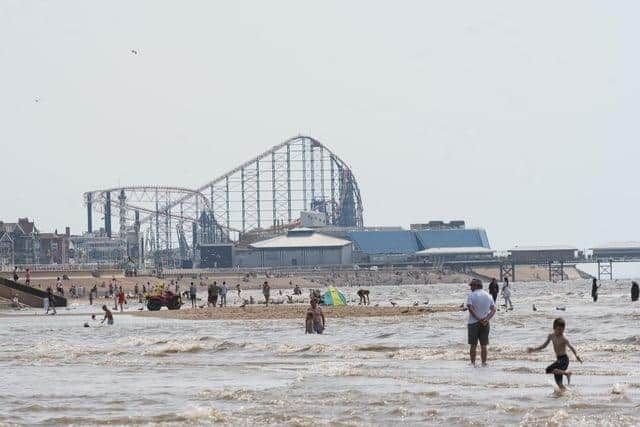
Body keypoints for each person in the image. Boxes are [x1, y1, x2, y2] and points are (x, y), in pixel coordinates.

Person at [527, 317, 582, 390]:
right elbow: (544, 346)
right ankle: (567, 393)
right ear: (554, 328)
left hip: (564, 360)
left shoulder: (564, 338)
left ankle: (567, 373)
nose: (560, 331)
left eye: (562, 330)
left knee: (548, 369)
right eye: (559, 329)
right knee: (559, 384)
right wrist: (534, 349)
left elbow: (571, 347)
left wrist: (576, 355)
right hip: (559, 359)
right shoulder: (551, 336)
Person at [466, 278, 496, 366]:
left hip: (473, 323)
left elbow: (470, 308)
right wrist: (487, 319)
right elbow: (493, 310)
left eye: (471, 285)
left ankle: (472, 363)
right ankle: (484, 363)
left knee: (473, 345)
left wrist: (478, 319)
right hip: (485, 323)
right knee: (484, 345)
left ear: (476, 286)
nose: (470, 287)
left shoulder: (471, 295)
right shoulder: (488, 295)